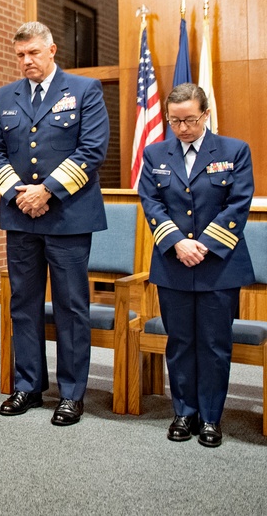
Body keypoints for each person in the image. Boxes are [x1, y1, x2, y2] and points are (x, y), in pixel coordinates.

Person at [0, 21, 109, 426]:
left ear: (52, 51)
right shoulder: (4, 96)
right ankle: (28, 385)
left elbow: (92, 150)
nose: (26, 61)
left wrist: (47, 191)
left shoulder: (84, 90)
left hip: (69, 217)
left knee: (72, 306)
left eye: (33, 53)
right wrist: (20, 195)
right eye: (20, 55)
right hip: (21, 217)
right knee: (23, 304)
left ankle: (71, 393)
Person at [138, 83, 254, 448]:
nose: (182, 128)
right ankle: (183, 411)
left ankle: (210, 417)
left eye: (189, 119)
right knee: (181, 342)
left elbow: (239, 203)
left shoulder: (234, 150)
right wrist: (177, 242)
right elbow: (150, 201)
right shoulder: (155, 153)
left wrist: (202, 245)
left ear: (205, 114)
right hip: (173, 263)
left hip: (218, 265)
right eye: (175, 121)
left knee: (215, 343)